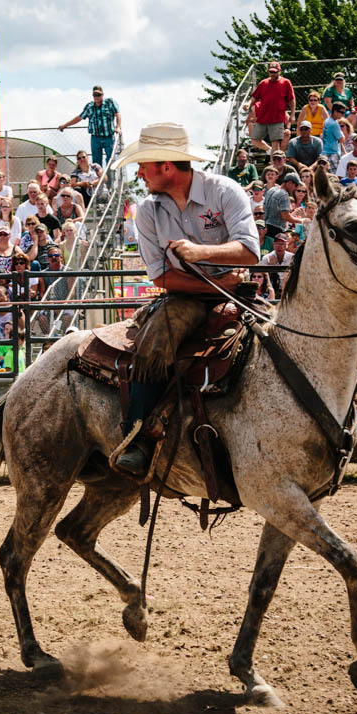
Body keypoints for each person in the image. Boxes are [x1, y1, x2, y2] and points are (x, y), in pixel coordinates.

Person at [110, 123, 258, 475]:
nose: (140, 173)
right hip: (189, 295)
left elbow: (250, 250)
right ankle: (140, 437)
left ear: (166, 167)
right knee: (158, 335)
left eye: (144, 166)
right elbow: (160, 276)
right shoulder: (148, 210)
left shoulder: (224, 191)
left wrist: (199, 252)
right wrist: (218, 283)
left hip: (238, 293)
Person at [57, 85, 122, 169]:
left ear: (102, 95)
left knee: (111, 159)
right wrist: (65, 125)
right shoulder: (89, 106)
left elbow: (118, 114)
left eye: (98, 95)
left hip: (108, 137)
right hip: (95, 138)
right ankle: (100, 181)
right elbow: (79, 118)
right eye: (94, 95)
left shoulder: (110, 102)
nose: (96, 97)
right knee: (96, 162)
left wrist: (118, 127)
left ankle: (110, 180)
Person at [246, 61, 294, 153]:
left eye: (274, 72)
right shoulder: (263, 83)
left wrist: (292, 115)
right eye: (271, 72)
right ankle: (269, 150)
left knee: (275, 143)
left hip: (277, 118)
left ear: (279, 71)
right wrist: (248, 104)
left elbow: (291, 100)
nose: (272, 74)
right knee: (254, 140)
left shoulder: (286, 82)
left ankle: (275, 164)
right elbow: (255, 97)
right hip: (263, 117)